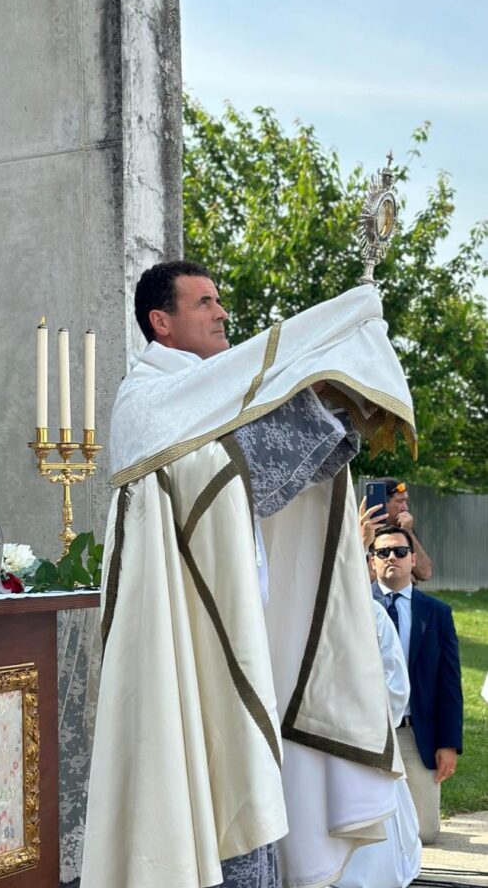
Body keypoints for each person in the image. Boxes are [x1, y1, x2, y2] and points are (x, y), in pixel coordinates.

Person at [81, 261, 417, 888]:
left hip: (245, 627)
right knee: (204, 783)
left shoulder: (218, 394)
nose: (221, 313)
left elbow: (262, 485)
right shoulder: (149, 402)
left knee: (251, 789)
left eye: (219, 301)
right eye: (204, 302)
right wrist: (316, 405)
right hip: (189, 640)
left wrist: (328, 397)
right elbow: (232, 472)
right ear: (162, 321)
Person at [371, 525, 463, 844]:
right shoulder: (354, 607)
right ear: (372, 562)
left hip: (415, 732)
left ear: (413, 559)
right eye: (382, 552)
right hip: (367, 730)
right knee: (369, 828)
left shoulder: (437, 613)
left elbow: (449, 683)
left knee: (424, 833)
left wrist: (448, 744)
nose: (391, 557)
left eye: (399, 551)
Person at [334, 600, 422, 888]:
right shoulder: (367, 608)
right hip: (358, 737)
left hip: (362, 739)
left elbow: (396, 688)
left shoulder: (370, 610)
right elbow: (397, 689)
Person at [360, 479, 433, 582]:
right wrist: (402, 575)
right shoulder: (360, 531)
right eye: (400, 501)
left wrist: (408, 532)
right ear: (382, 503)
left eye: (405, 501)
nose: (405, 508)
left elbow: (425, 573)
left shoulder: (403, 529)